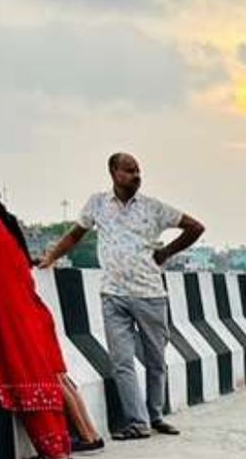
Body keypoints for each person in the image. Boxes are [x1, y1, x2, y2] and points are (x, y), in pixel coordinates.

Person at [39, 153, 204, 440]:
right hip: (113, 294)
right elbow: (76, 235)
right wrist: (51, 257)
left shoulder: (153, 207)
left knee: (155, 360)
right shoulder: (98, 204)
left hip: (150, 293)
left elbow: (195, 227)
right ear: (113, 172)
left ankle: (155, 415)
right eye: (129, 170)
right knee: (122, 362)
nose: (136, 176)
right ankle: (138, 422)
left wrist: (165, 253)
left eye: (138, 171)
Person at [0, 170, 104, 455]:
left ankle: (65, 444)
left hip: (15, 312)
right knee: (57, 376)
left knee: (43, 377)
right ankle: (88, 435)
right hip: (32, 307)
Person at [0, 196, 74, 459]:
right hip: (22, 302)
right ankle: (59, 448)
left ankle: (52, 452)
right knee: (35, 370)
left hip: (0, 307)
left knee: (22, 370)